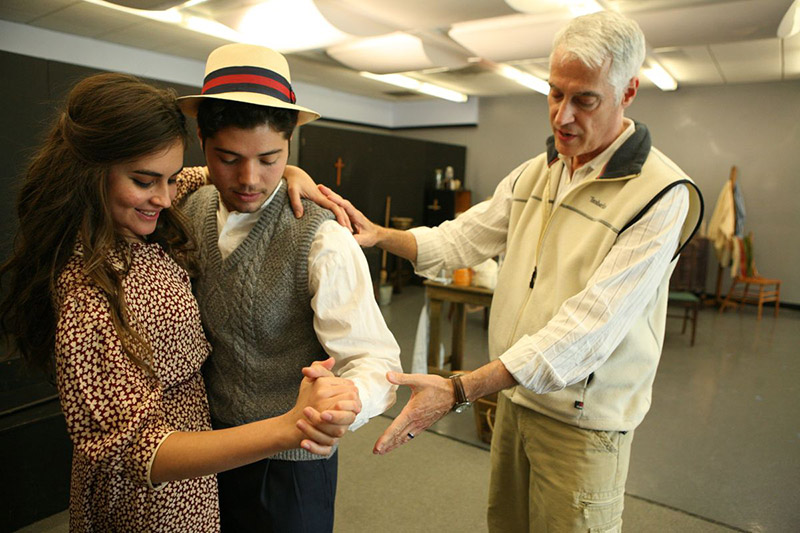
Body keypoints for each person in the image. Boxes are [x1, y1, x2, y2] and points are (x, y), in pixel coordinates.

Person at [322, 11, 704, 532]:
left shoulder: (661, 195)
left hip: (581, 423)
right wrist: (380, 235)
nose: (562, 117)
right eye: (554, 94)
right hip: (515, 400)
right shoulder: (537, 171)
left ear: (628, 92)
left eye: (584, 99)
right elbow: (463, 237)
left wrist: (461, 388)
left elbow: (587, 330)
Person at [0, 73, 359, 533]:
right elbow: (138, 450)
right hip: (156, 494)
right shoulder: (87, 292)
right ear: (87, 173)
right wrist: (290, 427)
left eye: (171, 178)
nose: (166, 197)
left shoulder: (138, 214)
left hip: (199, 461)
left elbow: (216, 173)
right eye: (146, 181)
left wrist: (281, 169)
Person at [175, 44, 402, 533]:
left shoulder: (321, 237)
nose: (249, 179)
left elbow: (376, 360)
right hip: (204, 447)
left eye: (270, 159)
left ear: (291, 142)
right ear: (201, 139)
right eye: (228, 158)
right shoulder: (187, 207)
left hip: (289, 464)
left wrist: (345, 401)